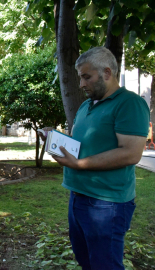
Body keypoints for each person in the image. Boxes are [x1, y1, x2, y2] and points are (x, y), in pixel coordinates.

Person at [40, 47, 149, 269]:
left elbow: (131, 153)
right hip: (78, 196)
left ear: (107, 73)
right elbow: (85, 144)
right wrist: (56, 138)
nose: (81, 84)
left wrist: (79, 164)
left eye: (86, 77)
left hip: (106, 203)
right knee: (87, 262)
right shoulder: (86, 105)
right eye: (81, 77)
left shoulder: (129, 103)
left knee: (105, 265)